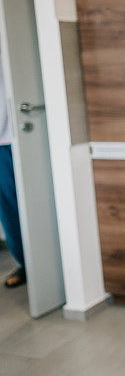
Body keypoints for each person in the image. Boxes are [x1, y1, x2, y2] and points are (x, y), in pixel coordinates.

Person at [0, 52, 24, 288]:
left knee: (15, 205)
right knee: (8, 208)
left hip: (12, 140)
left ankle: (32, 263)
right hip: (4, 143)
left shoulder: (8, 54)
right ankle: (24, 262)